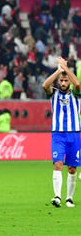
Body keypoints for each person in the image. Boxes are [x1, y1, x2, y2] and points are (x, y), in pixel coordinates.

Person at [42, 57, 81, 208]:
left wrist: (66, 68)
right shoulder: (54, 94)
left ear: (68, 82)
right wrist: (59, 70)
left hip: (74, 134)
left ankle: (69, 198)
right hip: (58, 134)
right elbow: (45, 85)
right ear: (58, 82)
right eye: (61, 81)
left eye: (65, 81)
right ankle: (57, 196)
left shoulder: (76, 94)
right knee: (58, 164)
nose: (63, 83)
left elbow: (77, 83)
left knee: (72, 168)